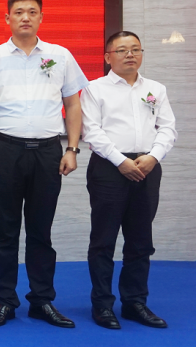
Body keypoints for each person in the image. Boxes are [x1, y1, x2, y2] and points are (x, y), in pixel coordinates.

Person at [0, 0, 88, 328]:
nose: (25, 17)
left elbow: (73, 104)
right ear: (7, 19)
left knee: (40, 231)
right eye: (18, 12)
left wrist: (72, 148)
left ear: (41, 18)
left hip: (48, 152)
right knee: (4, 231)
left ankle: (42, 300)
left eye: (32, 12)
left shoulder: (60, 56)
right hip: (5, 151)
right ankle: (5, 300)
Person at [81, 31, 176, 329]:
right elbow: (91, 131)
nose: (130, 55)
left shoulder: (156, 89)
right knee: (103, 240)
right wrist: (120, 161)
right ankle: (102, 304)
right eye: (122, 50)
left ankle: (135, 302)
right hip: (109, 168)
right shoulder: (94, 89)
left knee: (140, 240)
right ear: (108, 57)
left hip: (147, 167)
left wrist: (153, 157)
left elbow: (168, 128)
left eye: (136, 49)